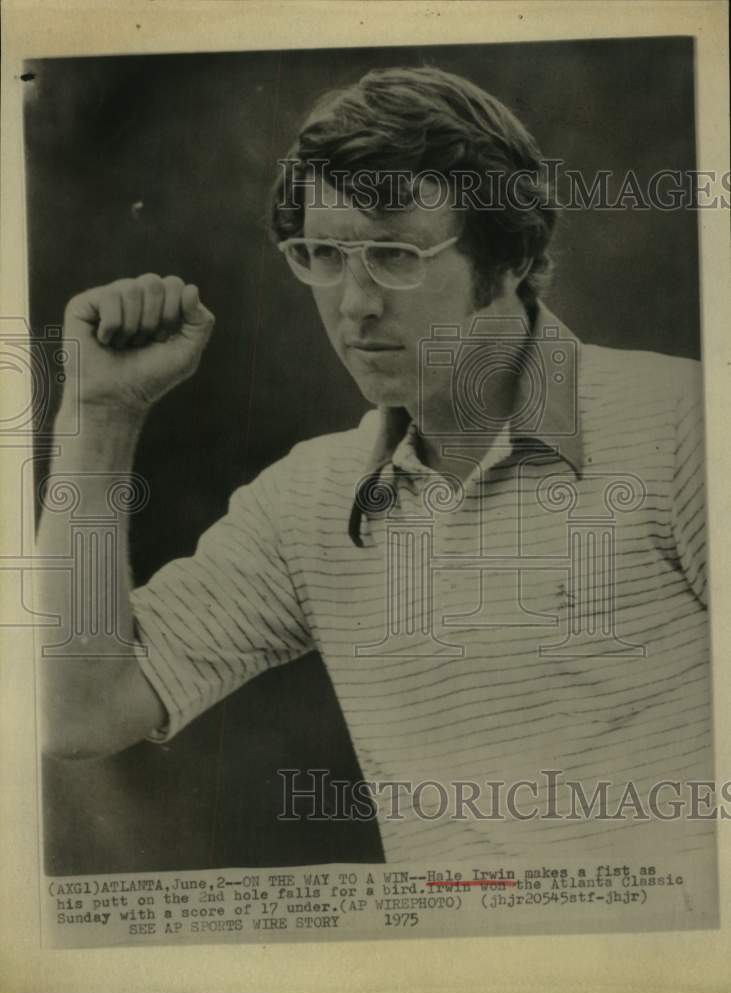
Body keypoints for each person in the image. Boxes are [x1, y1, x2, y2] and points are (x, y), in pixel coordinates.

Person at [39, 67, 711, 864]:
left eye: (393, 256)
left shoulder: (684, 424)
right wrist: (100, 417)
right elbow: (78, 714)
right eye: (323, 253)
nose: (353, 302)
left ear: (507, 257)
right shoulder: (306, 504)